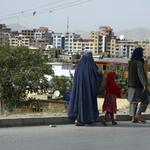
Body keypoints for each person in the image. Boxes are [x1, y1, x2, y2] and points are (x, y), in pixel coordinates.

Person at [67, 51, 103, 126]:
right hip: (88, 89)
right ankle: (80, 119)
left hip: (78, 89)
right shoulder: (91, 66)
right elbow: (98, 75)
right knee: (87, 102)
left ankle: (85, 118)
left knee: (80, 102)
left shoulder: (79, 66)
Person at [127, 47, 149, 123]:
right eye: (142, 53)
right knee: (146, 99)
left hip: (131, 85)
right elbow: (141, 74)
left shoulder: (130, 62)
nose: (142, 54)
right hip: (138, 86)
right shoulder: (139, 63)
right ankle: (138, 114)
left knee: (133, 102)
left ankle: (133, 118)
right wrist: (145, 85)